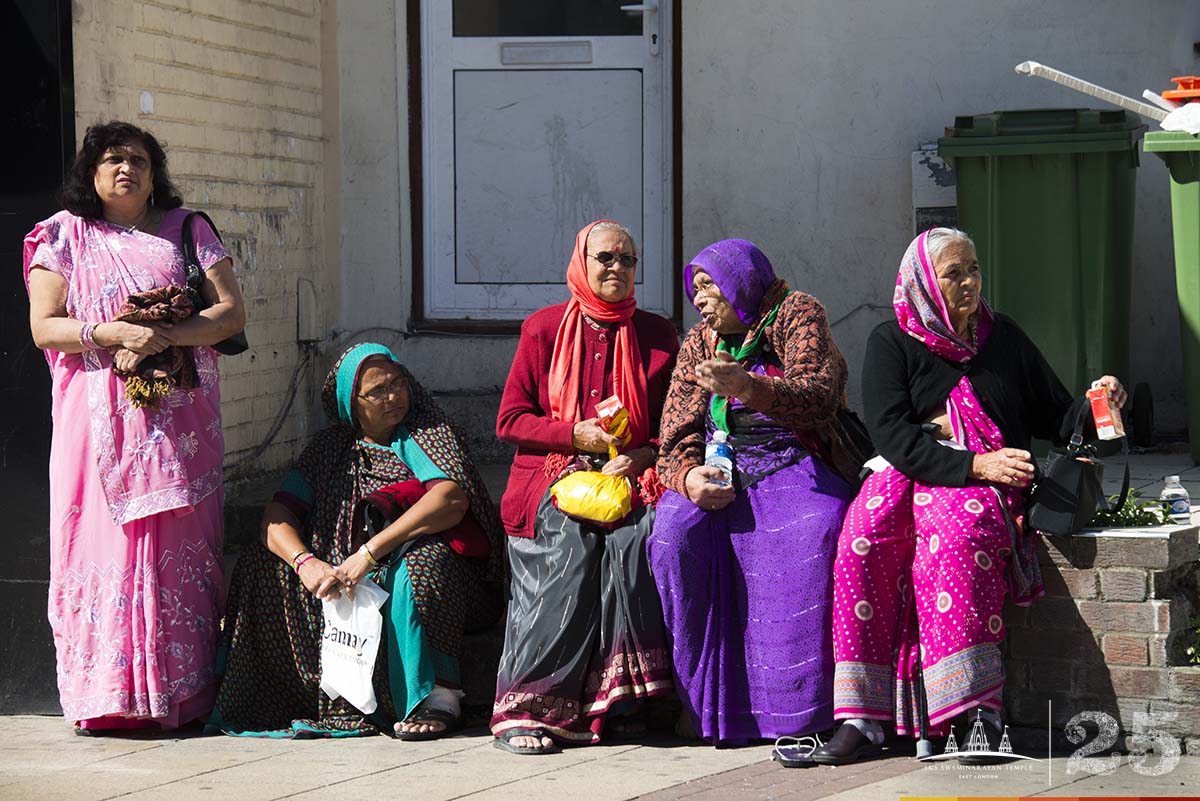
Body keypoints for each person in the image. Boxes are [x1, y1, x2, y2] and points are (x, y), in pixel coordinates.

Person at [813, 228, 1126, 765]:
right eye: (953, 273)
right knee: (862, 536)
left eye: (974, 269)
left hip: (987, 481)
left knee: (961, 533)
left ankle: (976, 710)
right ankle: (860, 717)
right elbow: (890, 432)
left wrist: (1099, 399)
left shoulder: (1003, 338)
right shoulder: (891, 341)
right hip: (921, 465)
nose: (968, 282)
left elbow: (1057, 414)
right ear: (924, 282)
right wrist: (970, 462)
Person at [23, 120, 246, 733]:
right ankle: (108, 695)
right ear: (91, 173)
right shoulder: (63, 236)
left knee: (178, 544)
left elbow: (229, 314)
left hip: (179, 420)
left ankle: (183, 695)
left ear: (156, 174)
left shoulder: (188, 230)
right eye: (114, 160)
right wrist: (110, 333)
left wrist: (162, 336)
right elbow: (46, 326)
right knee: (102, 546)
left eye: (140, 161)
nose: (127, 170)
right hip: (95, 421)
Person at [211, 343, 504, 738]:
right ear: (352, 403)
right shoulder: (329, 450)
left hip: (450, 582)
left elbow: (449, 500)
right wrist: (306, 564)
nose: (394, 396)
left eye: (398, 383)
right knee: (260, 564)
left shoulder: (426, 435)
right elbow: (276, 518)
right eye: (378, 391)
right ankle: (289, 693)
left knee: (421, 563)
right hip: (344, 570)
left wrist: (369, 553)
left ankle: (437, 696)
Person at [648, 239, 854, 745]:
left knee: (817, 528)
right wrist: (689, 478)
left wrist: (748, 388)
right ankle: (702, 708)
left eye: (708, 286)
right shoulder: (699, 342)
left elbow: (819, 398)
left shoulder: (796, 313)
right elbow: (676, 430)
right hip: (717, 466)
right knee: (674, 537)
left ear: (740, 280)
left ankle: (800, 711)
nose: (699, 299)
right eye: (693, 289)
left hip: (792, 456)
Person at [489, 220, 680, 754]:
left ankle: (621, 702)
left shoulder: (658, 334)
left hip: (631, 474)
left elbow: (678, 422)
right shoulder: (544, 328)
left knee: (636, 544)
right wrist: (574, 435)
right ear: (582, 262)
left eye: (627, 259)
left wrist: (644, 453)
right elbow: (510, 420)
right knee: (571, 550)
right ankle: (528, 708)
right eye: (605, 259)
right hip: (554, 471)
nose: (616, 268)